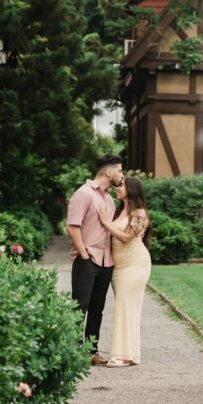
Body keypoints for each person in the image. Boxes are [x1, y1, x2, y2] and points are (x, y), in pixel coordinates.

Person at [66, 154, 124, 366]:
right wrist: (83, 254)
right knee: (79, 307)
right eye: (119, 170)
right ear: (108, 172)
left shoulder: (108, 199)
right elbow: (72, 226)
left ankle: (91, 352)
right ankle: (72, 352)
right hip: (87, 260)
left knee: (97, 309)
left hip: (106, 262)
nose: (121, 175)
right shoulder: (83, 194)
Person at [97, 176, 152, 368]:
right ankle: (128, 354)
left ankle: (123, 355)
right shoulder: (117, 211)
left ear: (132, 189)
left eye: (121, 186)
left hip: (135, 264)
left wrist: (106, 223)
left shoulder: (140, 213)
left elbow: (128, 237)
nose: (117, 188)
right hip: (118, 267)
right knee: (125, 307)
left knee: (125, 305)